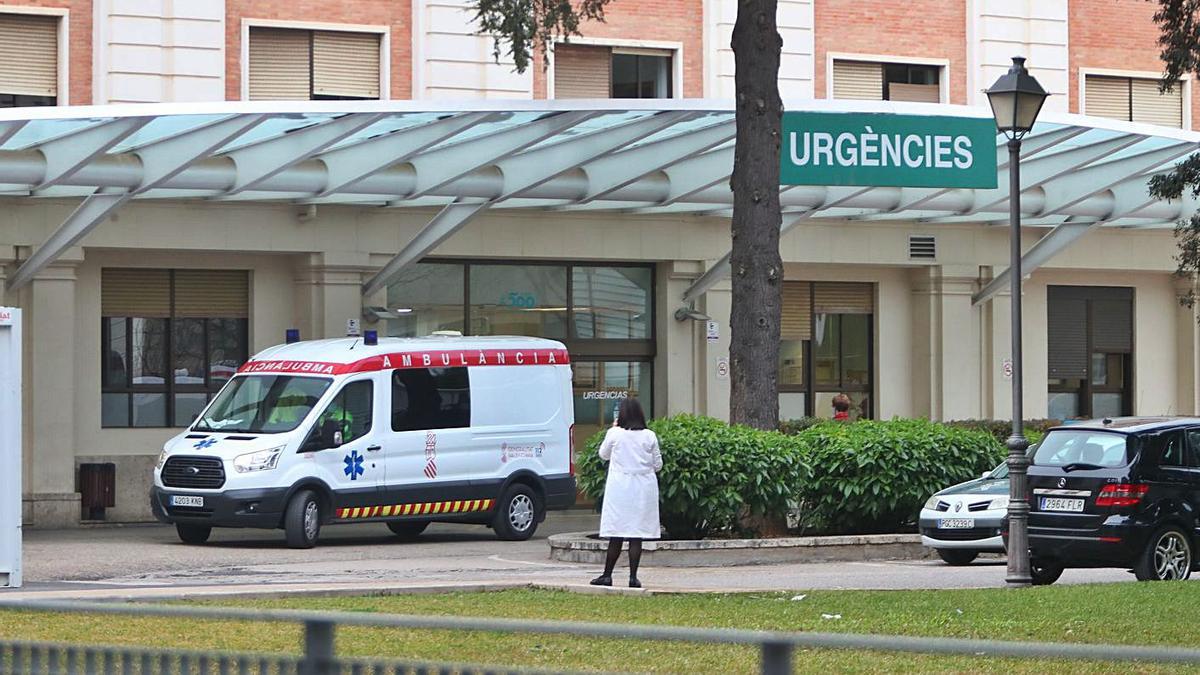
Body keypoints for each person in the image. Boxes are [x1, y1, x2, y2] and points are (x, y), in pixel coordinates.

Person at [590, 397, 662, 589]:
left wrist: (614, 427)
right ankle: (633, 577)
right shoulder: (650, 436)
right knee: (635, 534)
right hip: (643, 489)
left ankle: (607, 575)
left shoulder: (615, 434)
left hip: (620, 488)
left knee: (617, 532)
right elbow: (658, 464)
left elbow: (603, 454)